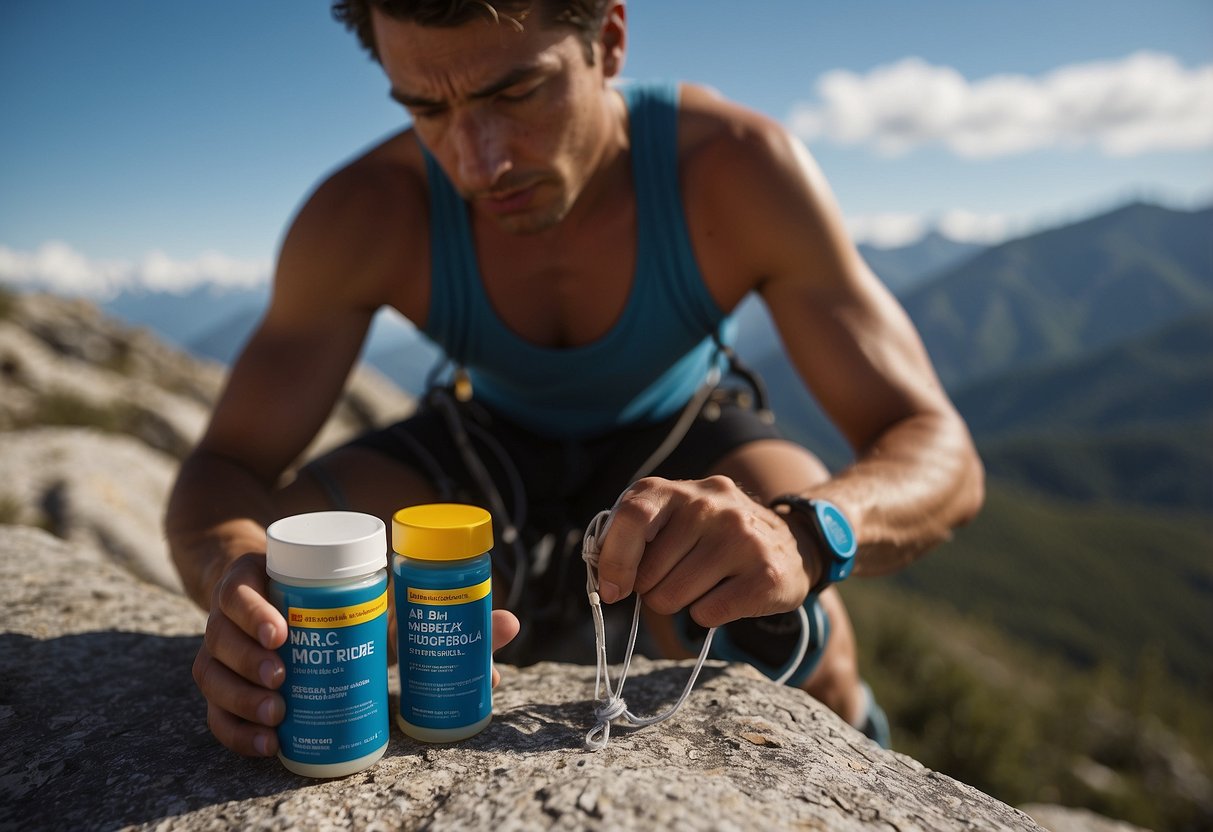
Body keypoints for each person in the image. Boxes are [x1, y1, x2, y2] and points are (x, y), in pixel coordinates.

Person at [166, 0, 984, 759]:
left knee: (802, 643)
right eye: (426, 108)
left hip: (682, 430)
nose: (478, 161)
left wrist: (806, 534)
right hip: (484, 435)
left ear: (609, 40)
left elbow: (937, 447)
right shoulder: (363, 212)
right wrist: (235, 583)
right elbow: (225, 469)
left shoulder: (733, 169)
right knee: (301, 551)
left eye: (517, 91)